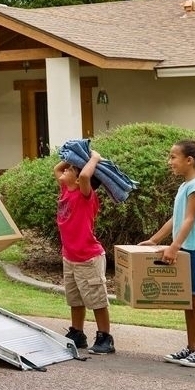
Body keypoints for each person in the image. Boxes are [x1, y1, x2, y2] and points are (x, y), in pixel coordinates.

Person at [143, 139, 195, 368]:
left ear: (189, 160)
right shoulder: (185, 186)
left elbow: (190, 220)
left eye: (173, 157)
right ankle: (193, 348)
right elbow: (176, 217)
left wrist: (174, 247)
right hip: (188, 248)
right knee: (188, 301)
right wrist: (155, 239)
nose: (169, 162)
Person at [54, 152, 114, 355]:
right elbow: (56, 169)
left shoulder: (84, 195)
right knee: (75, 299)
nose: (65, 169)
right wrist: (73, 155)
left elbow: (87, 177)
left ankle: (105, 337)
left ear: (79, 179)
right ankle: (77, 333)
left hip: (88, 258)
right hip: (70, 257)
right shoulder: (65, 190)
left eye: (71, 169)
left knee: (96, 299)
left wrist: (93, 158)